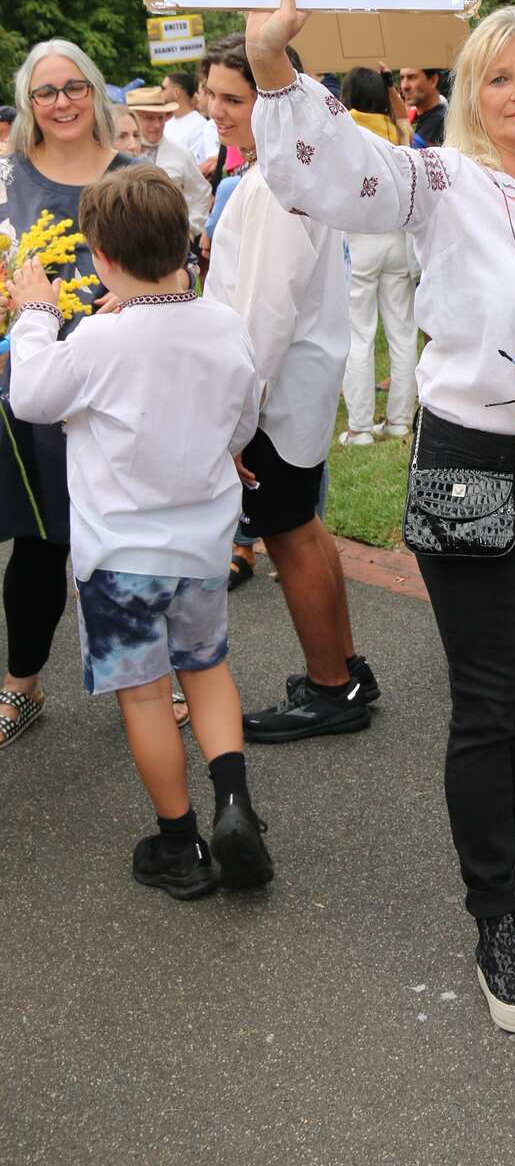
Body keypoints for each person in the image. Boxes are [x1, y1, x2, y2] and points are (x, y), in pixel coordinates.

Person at [244, 0, 515, 1035]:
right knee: (485, 692)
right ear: (472, 92)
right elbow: (334, 174)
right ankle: (491, 918)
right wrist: (276, 73)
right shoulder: (441, 181)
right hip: (471, 450)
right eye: (498, 76)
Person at [6, 164, 273, 896]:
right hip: (202, 545)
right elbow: (243, 418)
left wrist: (35, 312)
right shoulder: (223, 324)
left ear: (103, 260)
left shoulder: (97, 340)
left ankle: (179, 843)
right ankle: (234, 801)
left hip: (122, 554)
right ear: (187, 242)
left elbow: (30, 394)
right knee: (207, 667)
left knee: (148, 694)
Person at [202, 33, 374, 743]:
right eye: (211, 94)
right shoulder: (289, 171)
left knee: (289, 537)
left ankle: (331, 687)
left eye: (233, 98)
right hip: (296, 386)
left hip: (273, 394)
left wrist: (237, 418)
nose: (216, 111)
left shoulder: (275, 184)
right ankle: (342, 669)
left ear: (273, 99)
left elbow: (264, 316)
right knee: (306, 528)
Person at [0, 40, 130, 751]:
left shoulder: (134, 175)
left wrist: (138, 297)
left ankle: (141, 675)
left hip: (115, 387)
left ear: (95, 92)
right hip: (30, 388)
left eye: (74, 87)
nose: (61, 103)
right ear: (29, 105)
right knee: (41, 543)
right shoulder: (4, 178)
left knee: (124, 541)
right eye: (46, 92)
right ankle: (22, 685)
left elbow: (177, 270)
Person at [337, 67, 417, 447]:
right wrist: (390, 85)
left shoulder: (344, 130)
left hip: (360, 238)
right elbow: (402, 117)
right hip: (398, 238)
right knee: (403, 333)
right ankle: (400, 421)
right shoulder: (398, 131)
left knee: (359, 335)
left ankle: (360, 428)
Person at [126, 89, 212, 239]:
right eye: (149, 118)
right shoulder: (116, 152)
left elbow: (201, 193)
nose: (158, 124)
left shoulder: (180, 153)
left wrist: (190, 227)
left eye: (161, 118)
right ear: (133, 119)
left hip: (170, 244)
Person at [161, 69, 219, 172]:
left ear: (176, 92)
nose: (160, 92)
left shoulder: (200, 125)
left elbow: (202, 164)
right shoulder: (165, 125)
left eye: (163, 88)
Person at [399, 66, 449, 147]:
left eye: (412, 77)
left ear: (433, 81)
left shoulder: (441, 119)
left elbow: (411, 151)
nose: (404, 86)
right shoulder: (416, 116)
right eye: (402, 78)